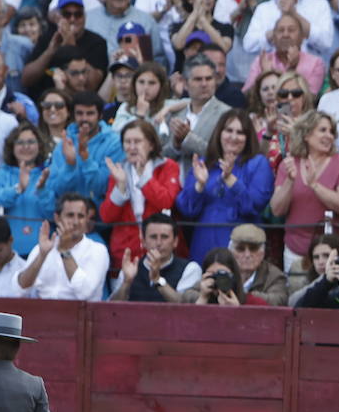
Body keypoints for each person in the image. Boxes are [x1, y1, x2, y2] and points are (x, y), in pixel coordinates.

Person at [175, 110, 272, 261]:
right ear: (219, 133)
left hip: (242, 247)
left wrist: (231, 181)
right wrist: (199, 186)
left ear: (248, 137)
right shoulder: (205, 162)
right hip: (204, 244)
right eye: (229, 130)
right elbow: (186, 209)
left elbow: (254, 206)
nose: (233, 137)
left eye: (240, 132)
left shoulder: (258, 163)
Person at [270, 110, 339, 273]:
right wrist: (290, 180)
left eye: (331, 132)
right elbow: (276, 209)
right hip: (296, 251)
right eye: (322, 130)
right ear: (306, 134)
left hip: (331, 252)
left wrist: (314, 185)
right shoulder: (288, 164)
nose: (329, 136)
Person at [98, 118, 180, 273]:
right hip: (126, 252)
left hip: (159, 250)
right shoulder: (119, 170)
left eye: (137, 141)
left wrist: (145, 179)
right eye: (127, 142)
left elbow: (166, 202)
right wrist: (120, 186)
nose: (132, 147)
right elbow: (107, 217)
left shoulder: (168, 166)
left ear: (151, 145)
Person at [15, 192, 109, 300]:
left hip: (80, 315)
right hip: (42, 313)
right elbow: (19, 290)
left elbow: (85, 293)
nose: (75, 222)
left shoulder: (97, 250)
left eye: (81, 216)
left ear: (87, 219)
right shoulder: (42, 248)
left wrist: (65, 251)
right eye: (70, 215)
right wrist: (42, 256)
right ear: (57, 218)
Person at [0, 123, 55, 258]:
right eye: (20, 142)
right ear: (12, 147)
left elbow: (53, 213)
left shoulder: (48, 174)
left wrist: (42, 191)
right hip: (9, 256)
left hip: (42, 253)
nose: (26, 147)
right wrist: (17, 189)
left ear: (39, 145)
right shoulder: (2, 174)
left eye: (31, 142)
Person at [110, 212, 200, 302]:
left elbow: (185, 308)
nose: (158, 243)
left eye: (164, 237)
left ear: (175, 241)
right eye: (153, 237)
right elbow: (111, 309)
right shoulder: (132, 268)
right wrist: (127, 282)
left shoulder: (190, 268)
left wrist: (157, 279)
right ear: (143, 241)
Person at [227, 222, 288, 306]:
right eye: (240, 248)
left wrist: (243, 296)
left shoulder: (275, 276)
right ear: (231, 252)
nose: (247, 255)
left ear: (262, 253)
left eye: (253, 248)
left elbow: (278, 300)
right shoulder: (224, 271)